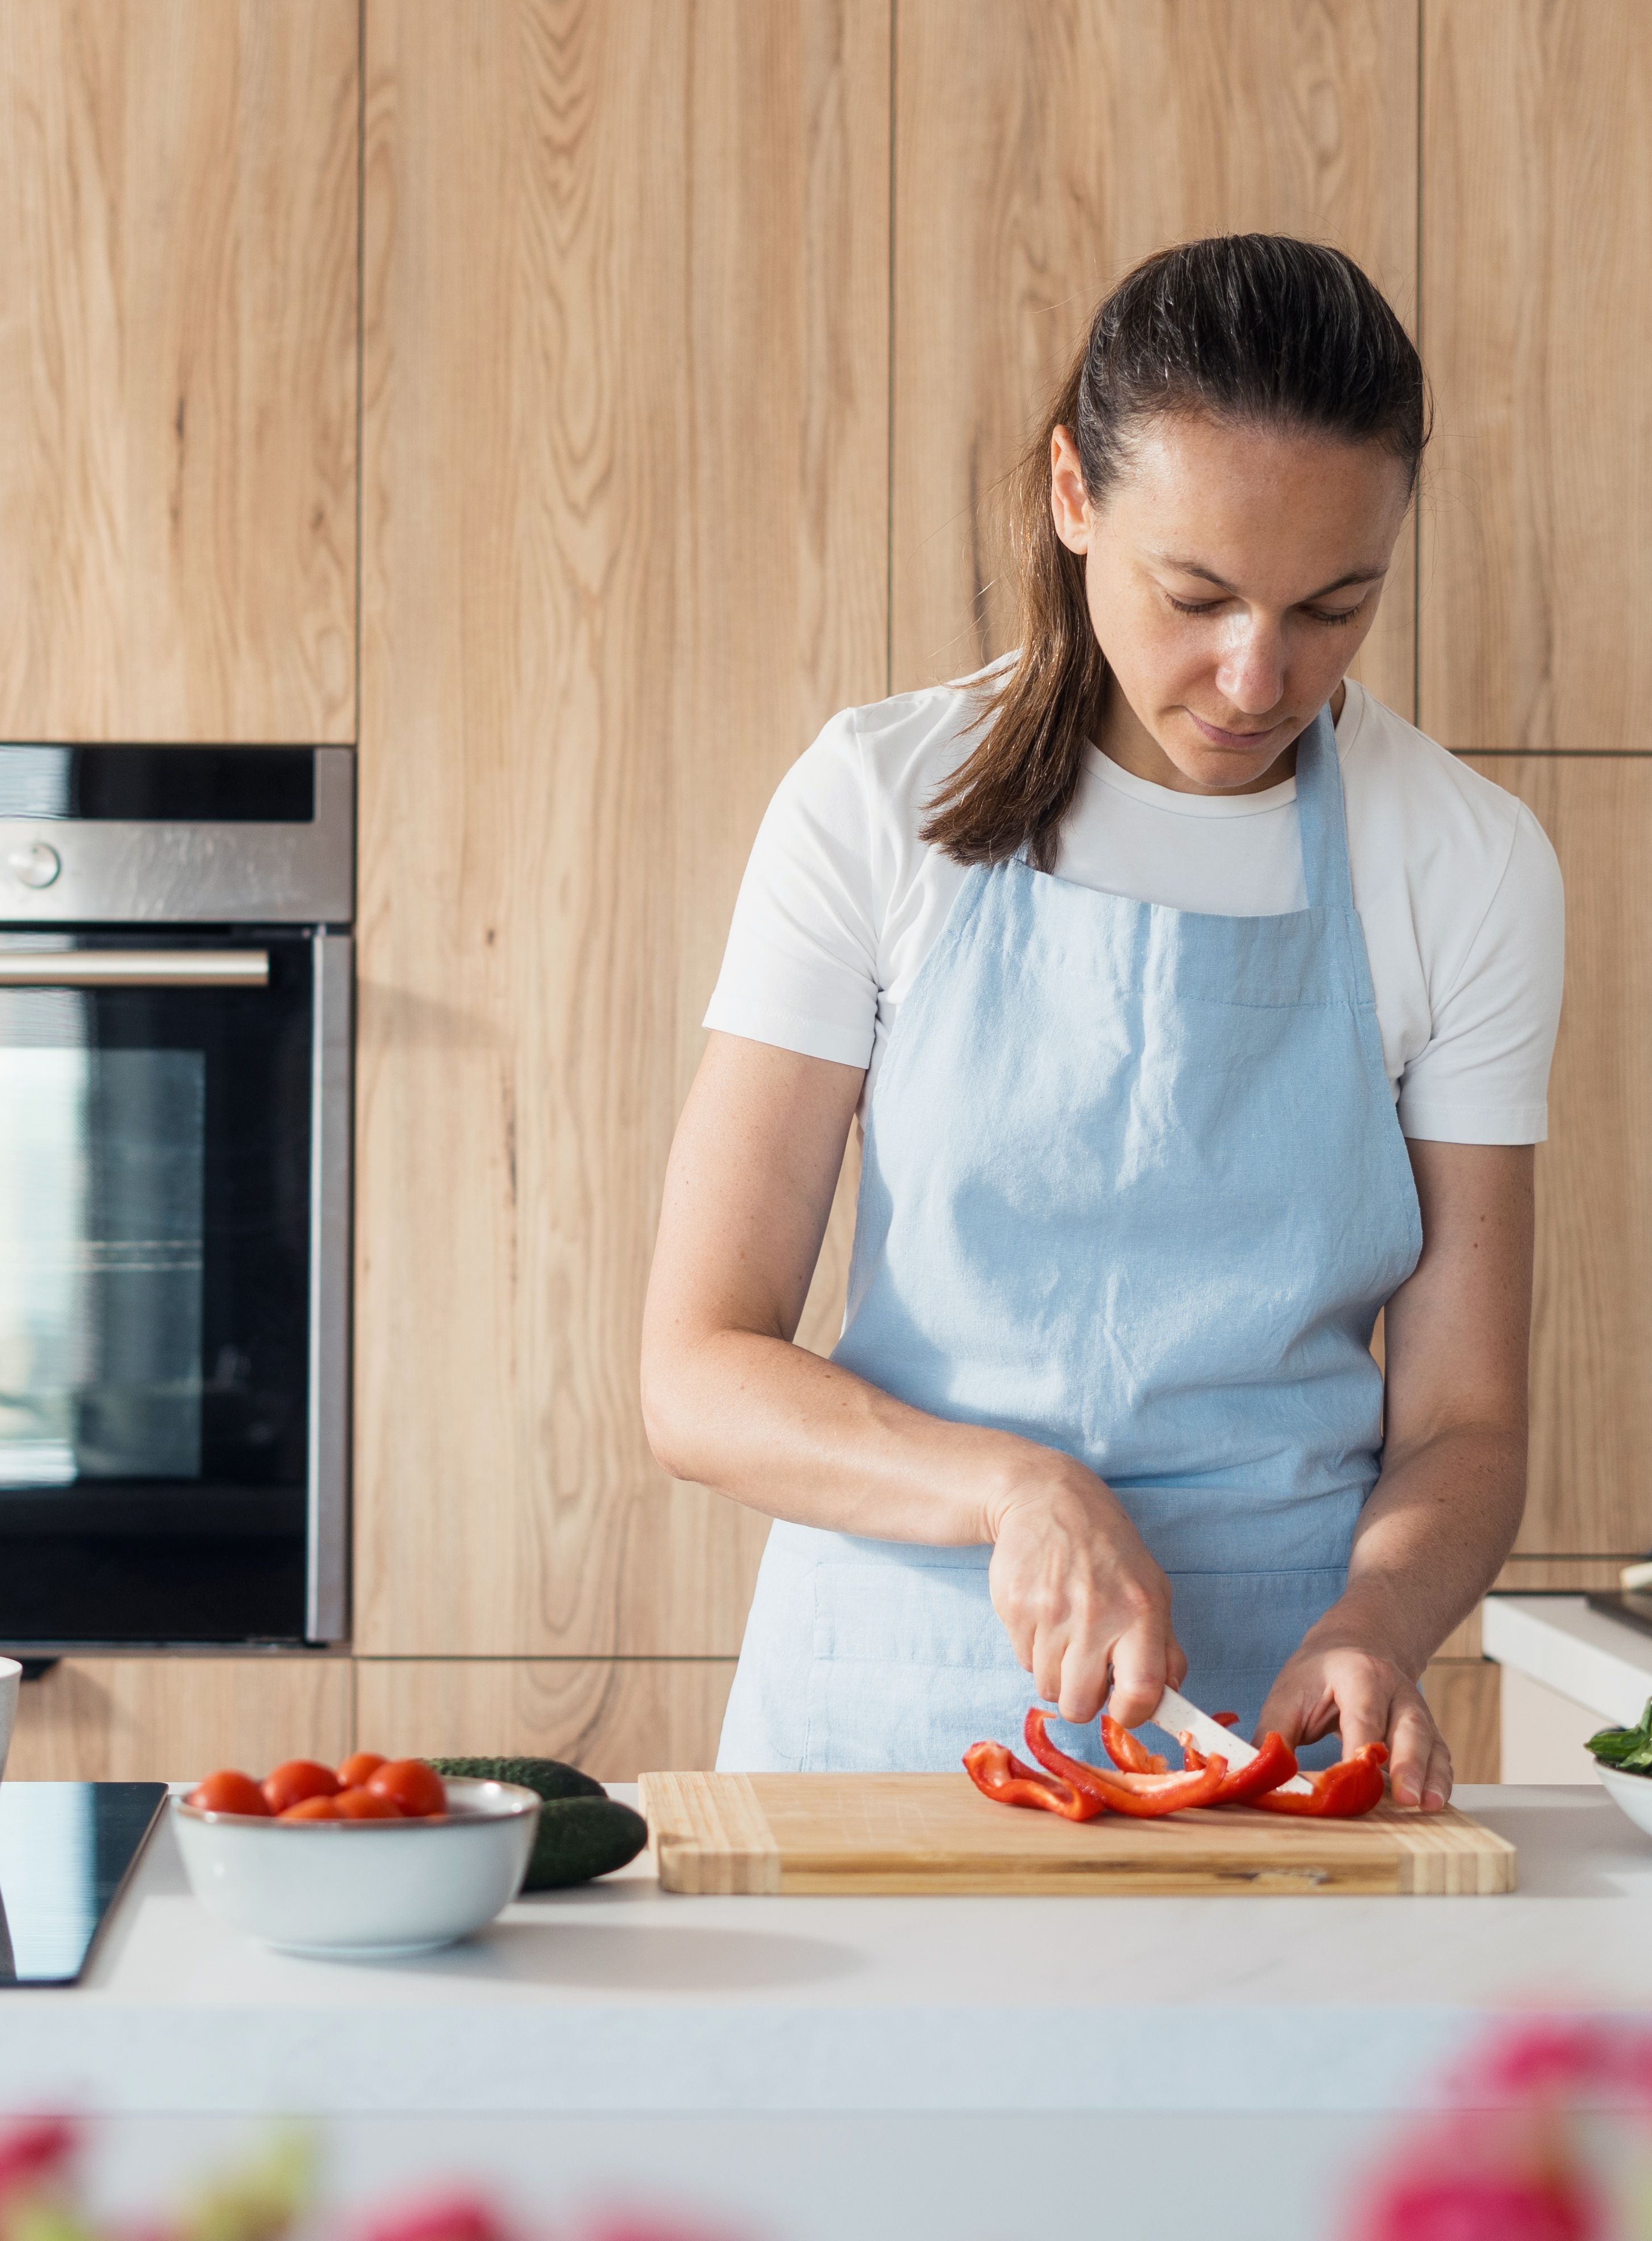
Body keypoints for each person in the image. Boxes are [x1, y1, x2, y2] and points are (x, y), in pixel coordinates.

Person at [641, 235, 1562, 1808]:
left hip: (1268, 1726)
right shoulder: (879, 801)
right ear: (1074, 494)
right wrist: (1012, 1489)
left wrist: (1381, 1622)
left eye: (1333, 606)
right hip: (883, 1718)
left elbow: (1464, 1421)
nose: (1257, 676)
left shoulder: (1465, 865)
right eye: (1196, 595)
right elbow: (697, 1373)